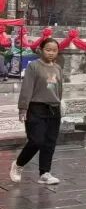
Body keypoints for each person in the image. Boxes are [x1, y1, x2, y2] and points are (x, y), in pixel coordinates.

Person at [10, 38, 64, 185]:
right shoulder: (33, 66)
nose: (51, 53)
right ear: (41, 50)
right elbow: (27, 88)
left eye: (54, 50)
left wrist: (60, 102)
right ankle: (18, 164)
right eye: (48, 50)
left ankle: (44, 173)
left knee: (49, 142)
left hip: (53, 108)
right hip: (36, 107)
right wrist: (23, 108)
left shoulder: (58, 68)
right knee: (36, 140)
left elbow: (59, 88)